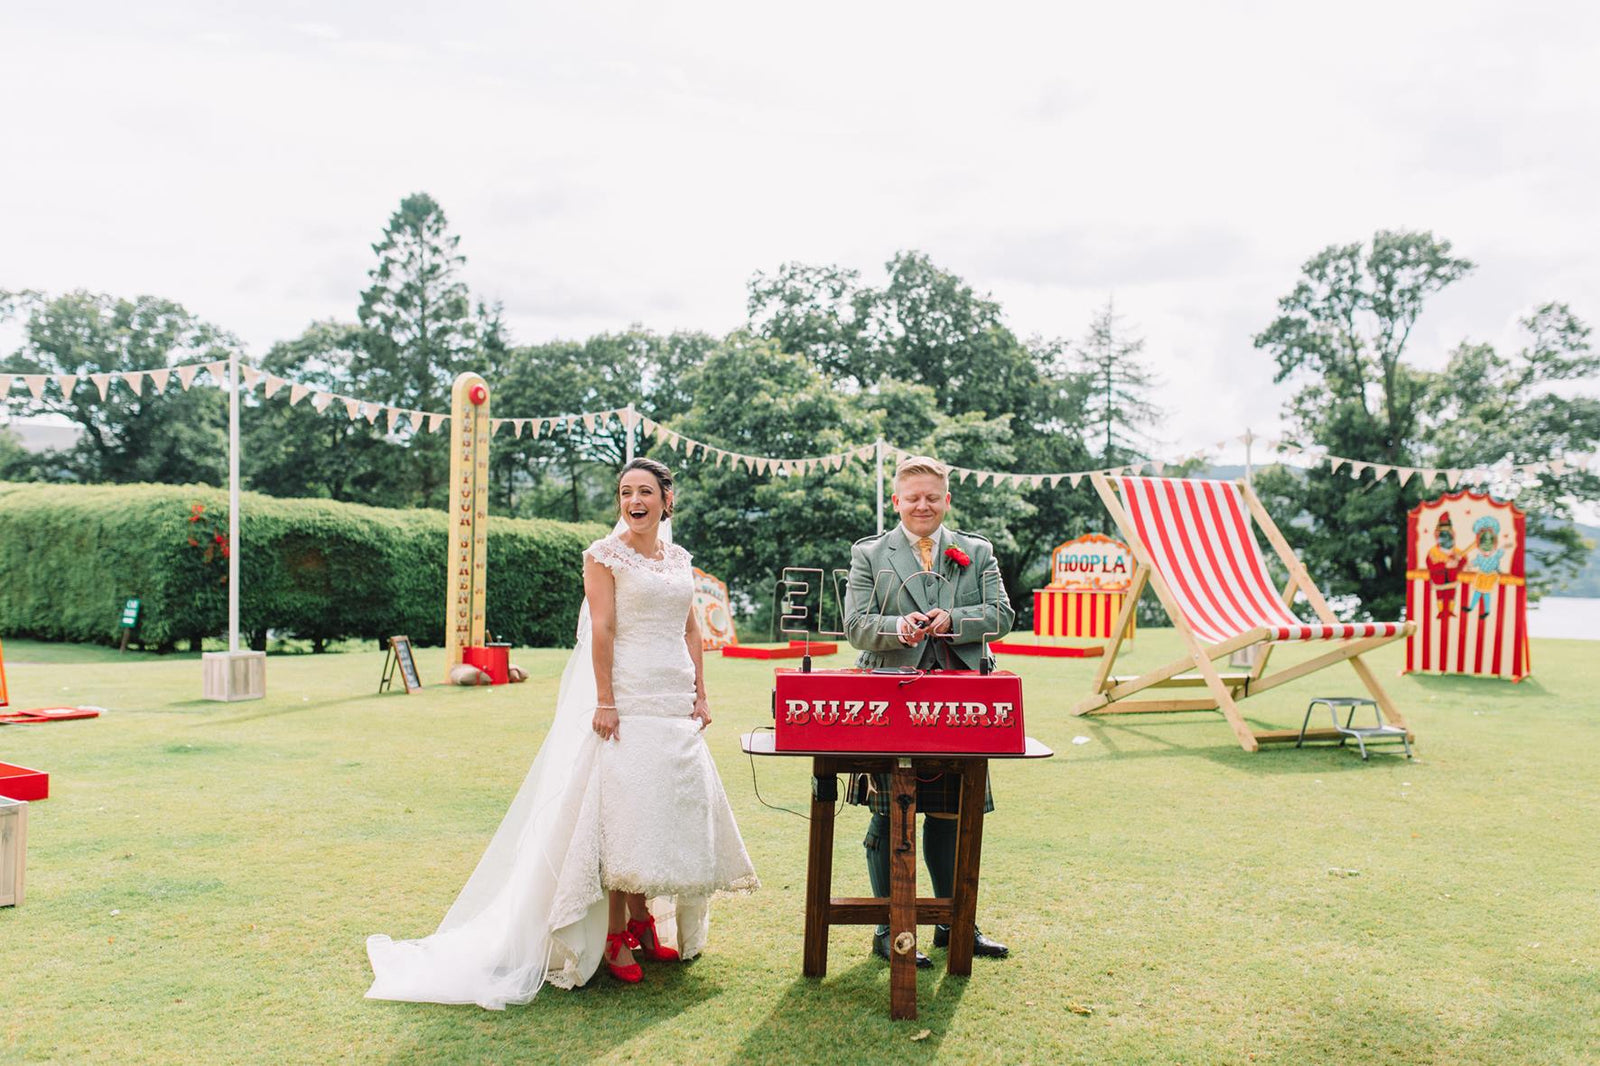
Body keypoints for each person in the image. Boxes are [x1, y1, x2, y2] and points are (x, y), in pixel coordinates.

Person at [366, 458, 758, 1009]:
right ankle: (616, 933)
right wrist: (604, 700)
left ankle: (646, 921)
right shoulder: (603, 556)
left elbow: (691, 627)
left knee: (663, 810)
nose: (634, 501)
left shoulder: (679, 559)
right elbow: (602, 627)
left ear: (667, 500)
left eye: (645, 491)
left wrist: (700, 692)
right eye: (625, 492)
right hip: (628, 697)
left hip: (674, 701)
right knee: (626, 814)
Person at [842, 454, 1016, 967]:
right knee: (887, 810)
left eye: (932, 497)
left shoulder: (976, 551)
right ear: (897, 501)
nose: (922, 505)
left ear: (946, 500)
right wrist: (899, 628)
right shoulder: (870, 553)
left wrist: (953, 619)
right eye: (912, 497)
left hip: (963, 701)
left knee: (951, 812)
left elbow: (1003, 615)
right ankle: (885, 928)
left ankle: (953, 921)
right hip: (889, 697)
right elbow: (855, 624)